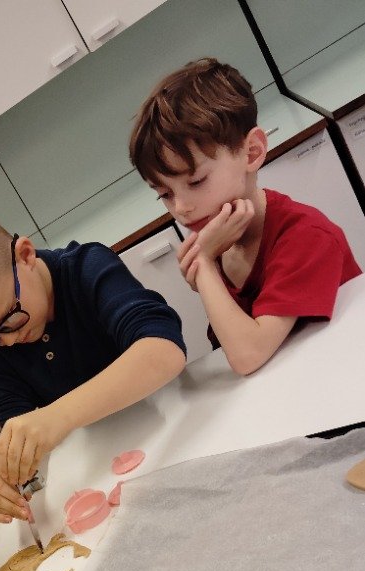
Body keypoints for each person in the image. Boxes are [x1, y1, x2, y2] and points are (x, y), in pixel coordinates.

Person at [0, 209, 186, 523]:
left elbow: (163, 350)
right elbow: (8, 417)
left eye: (11, 320)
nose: (9, 341)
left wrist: (56, 417)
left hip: (172, 430)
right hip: (107, 468)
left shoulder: (86, 267)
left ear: (26, 255)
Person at [129, 57, 361, 377]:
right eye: (164, 194)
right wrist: (209, 270)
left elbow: (247, 355)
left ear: (252, 152)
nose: (180, 207)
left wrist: (205, 268)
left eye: (196, 182)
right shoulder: (221, 240)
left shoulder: (307, 236)